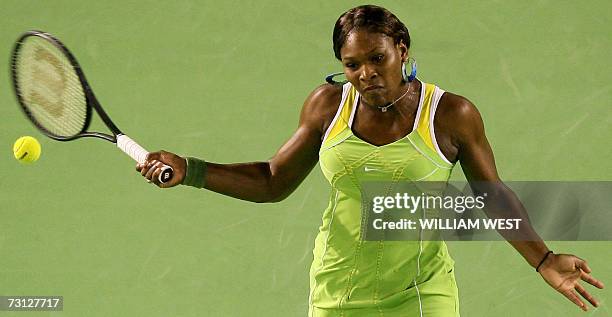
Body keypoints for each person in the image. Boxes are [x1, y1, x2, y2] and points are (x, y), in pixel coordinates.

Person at [136, 5, 603, 316]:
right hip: (338, 290)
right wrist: (191, 170)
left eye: (377, 59)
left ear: (402, 51)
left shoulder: (451, 114)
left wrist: (543, 259)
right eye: (352, 63)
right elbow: (273, 180)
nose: (366, 74)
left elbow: (492, 195)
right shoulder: (325, 106)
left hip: (421, 294)